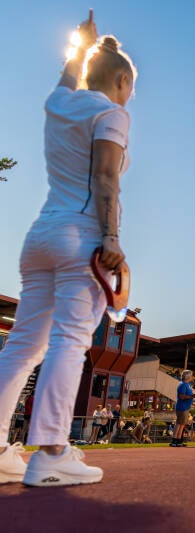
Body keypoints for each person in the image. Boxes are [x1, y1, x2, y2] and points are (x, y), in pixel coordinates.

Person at [0, 12, 137, 486]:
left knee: (21, 347)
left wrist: (82, 45)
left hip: (40, 235)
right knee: (70, 341)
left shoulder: (59, 102)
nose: (129, 97)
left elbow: (65, 76)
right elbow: (105, 178)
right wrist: (112, 238)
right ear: (121, 81)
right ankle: (52, 451)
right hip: (80, 234)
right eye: (129, 89)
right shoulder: (112, 113)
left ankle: (0, 448)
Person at [172, 370, 195, 447]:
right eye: (191, 375)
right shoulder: (183, 384)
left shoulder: (187, 384)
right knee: (179, 423)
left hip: (185, 407)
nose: (192, 377)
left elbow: (188, 395)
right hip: (182, 407)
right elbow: (182, 396)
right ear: (187, 376)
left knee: (182, 424)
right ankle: (174, 440)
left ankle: (179, 440)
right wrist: (193, 396)